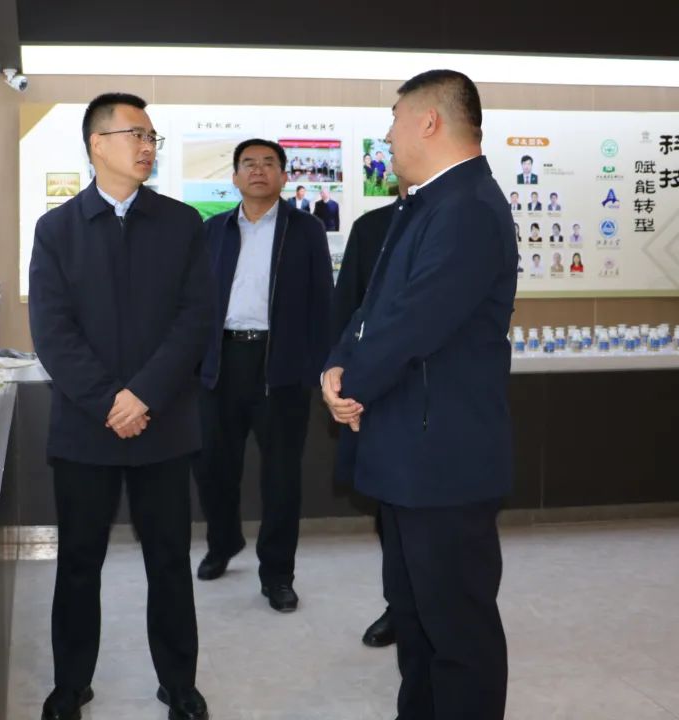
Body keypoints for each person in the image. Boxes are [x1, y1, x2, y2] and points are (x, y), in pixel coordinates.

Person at [322, 69, 514, 720]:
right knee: (415, 617)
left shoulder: (469, 208)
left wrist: (352, 386)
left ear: (429, 121)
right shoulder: (426, 204)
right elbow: (372, 305)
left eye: (395, 119)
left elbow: (415, 322)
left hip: (444, 460)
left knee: (457, 630)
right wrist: (338, 365)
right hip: (410, 453)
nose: (388, 135)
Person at [29, 92, 212, 720]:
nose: (147, 146)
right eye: (136, 134)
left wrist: (143, 396)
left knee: (169, 562)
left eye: (152, 136)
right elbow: (52, 332)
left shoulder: (182, 224)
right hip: (87, 428)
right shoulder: (57, 230)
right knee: (79, 563)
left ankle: (179, 684)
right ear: (97, 144)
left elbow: (195, 320)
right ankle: (70, 685)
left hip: (163, 425)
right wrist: (110, 402)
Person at [194, 138, 333, 613]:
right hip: (221, 362)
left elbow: (323, 302)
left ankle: (277, 574)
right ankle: (223, 541)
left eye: (268, 163)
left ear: (284, 176)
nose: (258, 171)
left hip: (281, 367)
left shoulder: (306, 229)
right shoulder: (212, 230)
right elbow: (194, 302)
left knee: (281, 477)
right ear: (234, 177)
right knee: (213, 466)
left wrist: (318, 368)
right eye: (248, 164)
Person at [332, 192, 402, 648]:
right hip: (376, 397)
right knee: (390, 513)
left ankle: (424, 612)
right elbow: (347, 311)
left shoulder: (457, 220)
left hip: (436, 401)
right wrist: (340, 373)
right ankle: (398, 606)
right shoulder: (373, 227)